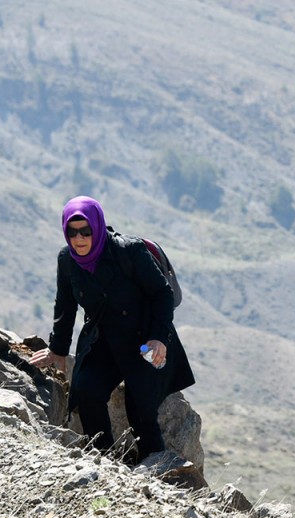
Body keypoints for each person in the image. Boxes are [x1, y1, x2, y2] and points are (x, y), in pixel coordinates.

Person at [29, 196, 194, 462]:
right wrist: (57, 349)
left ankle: (159, 475)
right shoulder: (67, 260)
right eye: (72, 232)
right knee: (86, 391)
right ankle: (103, 461)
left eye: (86, 231)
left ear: (97, 226)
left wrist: (159, 338)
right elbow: (65, 305)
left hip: (146, 340)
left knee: (140, 408)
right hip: (104, 342)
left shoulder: (129, 251)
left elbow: (161, 293)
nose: (79, 238)